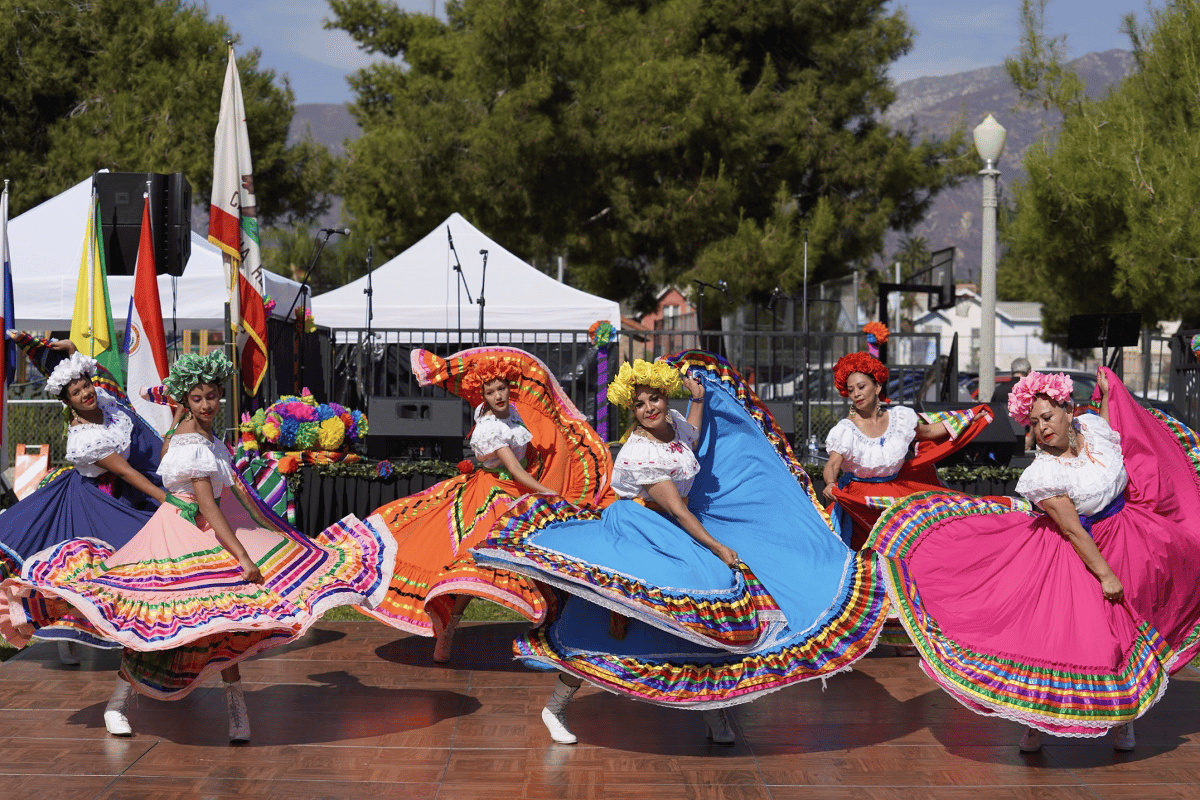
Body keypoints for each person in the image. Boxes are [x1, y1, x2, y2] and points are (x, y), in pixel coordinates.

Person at [473, 352, 889, 746]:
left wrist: (700, 399)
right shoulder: (641, 452)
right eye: (639, 404)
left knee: (698, 620)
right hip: (645, 527)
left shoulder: (671, 422)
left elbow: (690, 433)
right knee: (623, 618)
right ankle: (556, 707)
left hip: (672, 526)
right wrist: (719, 546)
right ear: (632, 411)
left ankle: (712, 708)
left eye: (654, 398)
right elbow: (676, 508)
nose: (649, 408)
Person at [0, 351, 397, 742]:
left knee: (219, 621)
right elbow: (200, 500)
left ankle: (235, 708)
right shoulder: (178, 440)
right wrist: (240, 554)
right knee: (160, 621)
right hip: (179, 532)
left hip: (203, 525)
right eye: (198, 398)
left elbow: (168, 456)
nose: (208, 404)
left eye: (212, 395)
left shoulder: (188, 431)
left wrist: (172, 417)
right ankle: (118, 704)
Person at [865, 368, 1200, 752]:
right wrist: (1106, 575)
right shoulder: (1044, 472)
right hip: (1078, 554)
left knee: (1135, 628)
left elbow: (1113, 427)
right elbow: (1074, 531)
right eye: (1034, 421)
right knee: (1069, 640)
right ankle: (1037, 722)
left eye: (1047, 417)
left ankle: (1124, 717)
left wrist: (1108, 395)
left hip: (1132, 538)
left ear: (1068, 410)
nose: (1042, 428)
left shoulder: (1094, 430)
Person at [358, 347, 614, 663]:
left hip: (514, 493)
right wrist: (550, 492)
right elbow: (517, 470)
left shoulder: (514, 413)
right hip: (492, 497)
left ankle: (552, 635)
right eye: (490, 391)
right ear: (484, 396)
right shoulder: (491, 427)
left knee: (538, 561)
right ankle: (447, 628)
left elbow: (529, 448)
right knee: (473, 564)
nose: (497, 395)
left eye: (501, 388)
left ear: (509, 388)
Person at [0, 333, 167, 663]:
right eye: (76, 392)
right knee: (92, 571)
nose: (85, 393)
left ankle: (148, 632)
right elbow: (124, 471)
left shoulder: (104, 401)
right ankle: (70, 632)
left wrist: (74, 350)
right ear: (69, 402)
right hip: (94, 500)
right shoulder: (83, 437)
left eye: (85, 386)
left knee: (132, 562)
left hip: (124, 493)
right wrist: (165, 497)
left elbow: (104, 380)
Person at [822, 350, 992, 550]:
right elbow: (832, 464)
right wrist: (830, 483)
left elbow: (928, 431)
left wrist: (968, 418)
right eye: (851, 390)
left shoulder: (899, 419)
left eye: (861, 386)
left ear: (877, 386)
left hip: (896, 496)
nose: (856, 394)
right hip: (860, 504)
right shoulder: (845, 430)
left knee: (940, 530)